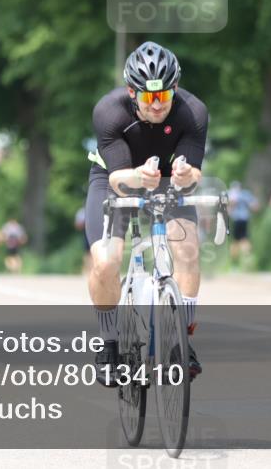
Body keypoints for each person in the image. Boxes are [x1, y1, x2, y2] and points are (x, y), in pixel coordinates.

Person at [86, 41, 207, 387]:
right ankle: (110, 345)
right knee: (106, 262)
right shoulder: (109, 111)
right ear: (131, 92)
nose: (157, 105)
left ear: (175, 89)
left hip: (167, 180)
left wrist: (186, 174)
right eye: (149, 97)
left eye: (164, 96)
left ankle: (181, 342)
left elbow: (193, 176)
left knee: (188, 250)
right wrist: (139, 178)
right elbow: (118, 179)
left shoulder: (194, 112)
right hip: (115, 179)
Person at [227, 181, 259, 268]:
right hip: (245, 219)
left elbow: (229, 207)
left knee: (235, 241)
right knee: (244, 239)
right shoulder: (245, 194)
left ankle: (235, 263)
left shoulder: (232, 194)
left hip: (237, 219)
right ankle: (246, 259)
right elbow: (255, 206)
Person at [75, 206, 91, 273]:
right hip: (86, 233)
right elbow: (77, 225)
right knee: (87, 252)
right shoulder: (81, 212)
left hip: (95, 232)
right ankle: (86, 270)